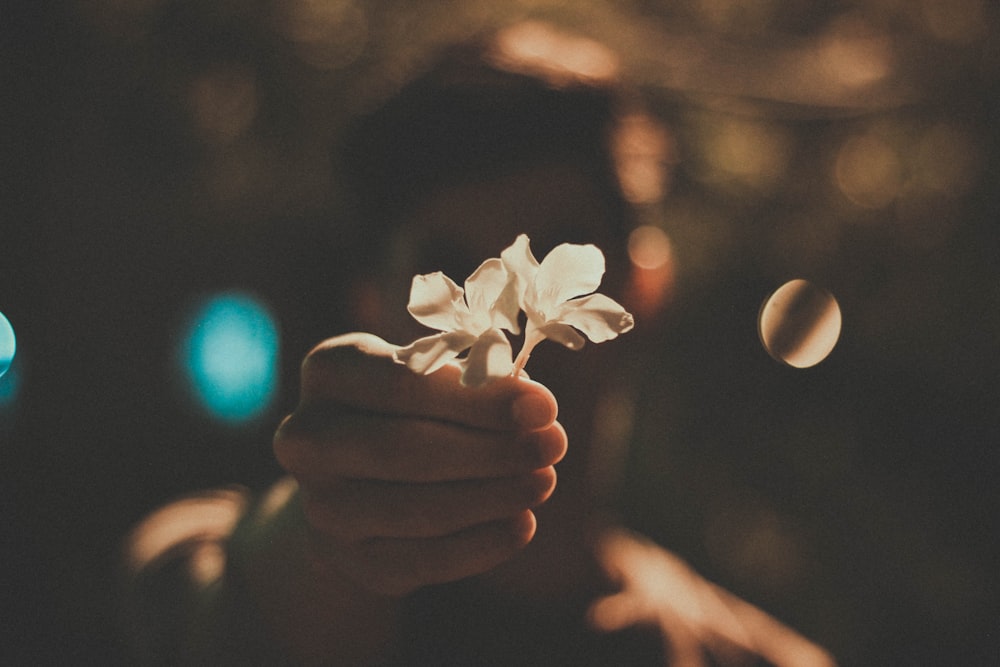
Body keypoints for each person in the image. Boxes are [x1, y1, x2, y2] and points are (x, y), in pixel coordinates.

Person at [122, 23, 836, 667]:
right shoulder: (220, 561)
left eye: (556, 243)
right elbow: (221, 615)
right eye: (453, 260)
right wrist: (326, 546)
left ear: (643, 288)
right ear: (371, 302)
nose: (509, 311)